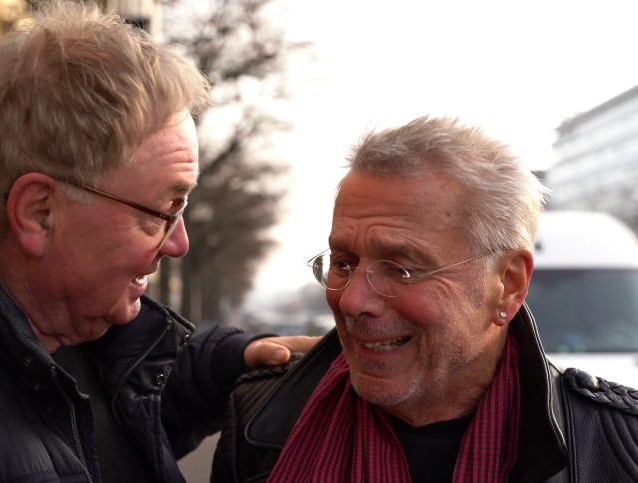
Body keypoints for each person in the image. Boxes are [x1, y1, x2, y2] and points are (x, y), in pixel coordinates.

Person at [0, 2, 317, 482]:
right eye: (163, 213)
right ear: (39, 213)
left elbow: (111, 417)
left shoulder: (68, 321)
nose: (179, 244)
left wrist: (223, 363)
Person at [211, 116, 638, 483]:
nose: (352, 301)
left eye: (402, 269)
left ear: (508, 284)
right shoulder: (258, 417)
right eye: (343, 263)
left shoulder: (621, 447)